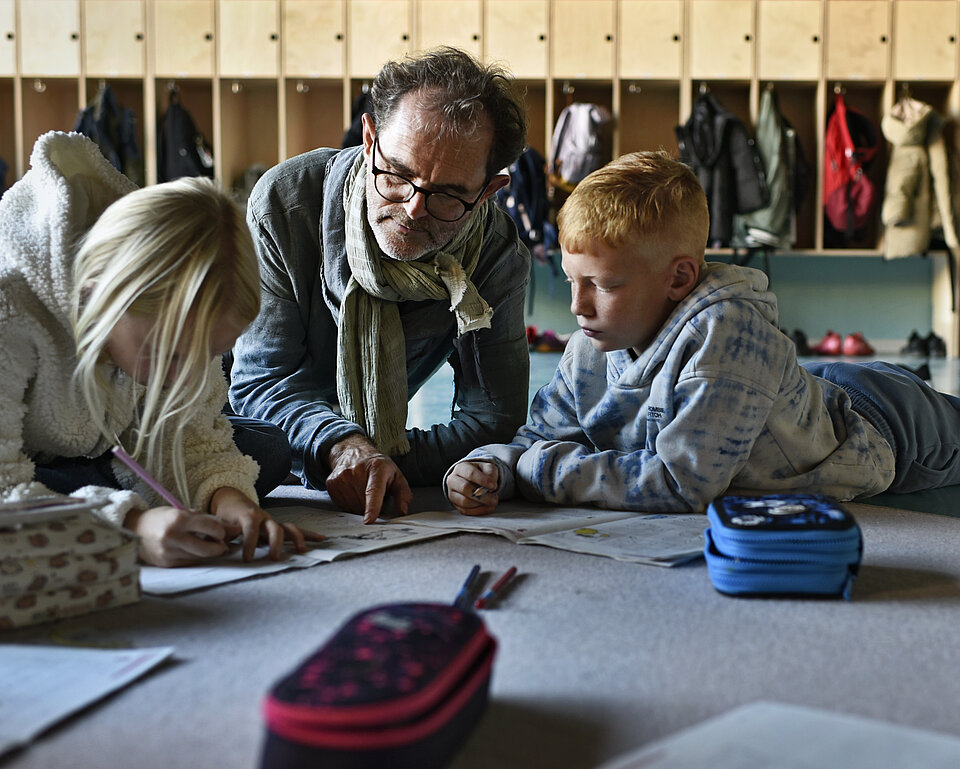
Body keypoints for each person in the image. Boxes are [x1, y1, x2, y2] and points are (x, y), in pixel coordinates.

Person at [444, 150, 960, 515]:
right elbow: (537, 440)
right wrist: (492, 467)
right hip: (805, 397)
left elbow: (684, 483)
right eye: (571, 281)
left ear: (679, 278)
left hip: (888, 425)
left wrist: (539, 473)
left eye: (602, 285)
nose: (577, 306)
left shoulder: (728, 334)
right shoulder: (590, 342)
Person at [230, 47, 531, 524]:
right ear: (369, 139)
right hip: (247, 429)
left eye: (450, 194)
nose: (413, 209)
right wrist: (339, 445)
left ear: (489, 191)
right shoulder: (286, 203)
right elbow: (262, 380)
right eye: (397, 174)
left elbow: (493, 418)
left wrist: (380, 462)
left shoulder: (495, 255)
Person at [0, 131, 320, 567]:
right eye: (168, 355)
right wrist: (127, 529)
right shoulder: (11, 307)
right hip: (27, 458)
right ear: (99, 298)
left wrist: (232, 505)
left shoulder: (173, 328)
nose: (183, 377)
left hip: (94, 450)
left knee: (267, 448)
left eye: (207, 356)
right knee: (43, 483)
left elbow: (191, 436)